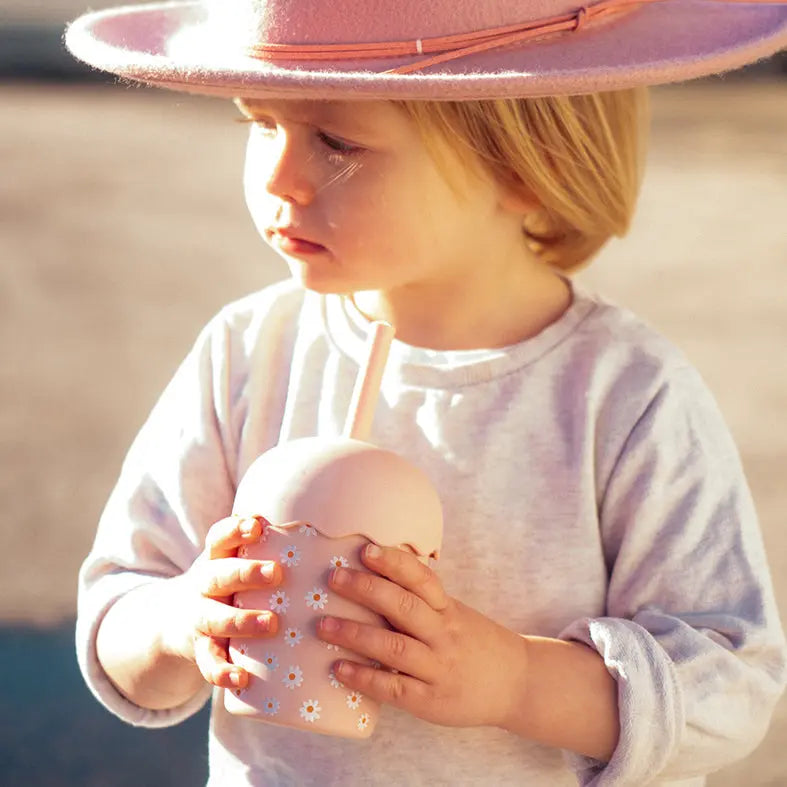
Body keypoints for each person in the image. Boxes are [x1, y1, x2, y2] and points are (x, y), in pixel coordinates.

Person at [66, 2, 787, 785]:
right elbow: (119, 618)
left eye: (336, 142)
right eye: (260, 123)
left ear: (525, 165)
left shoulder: (625, 395)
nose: (276, 176)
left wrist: (515, 679)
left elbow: (730, 683)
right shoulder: (248, 351)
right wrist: (182, 622)